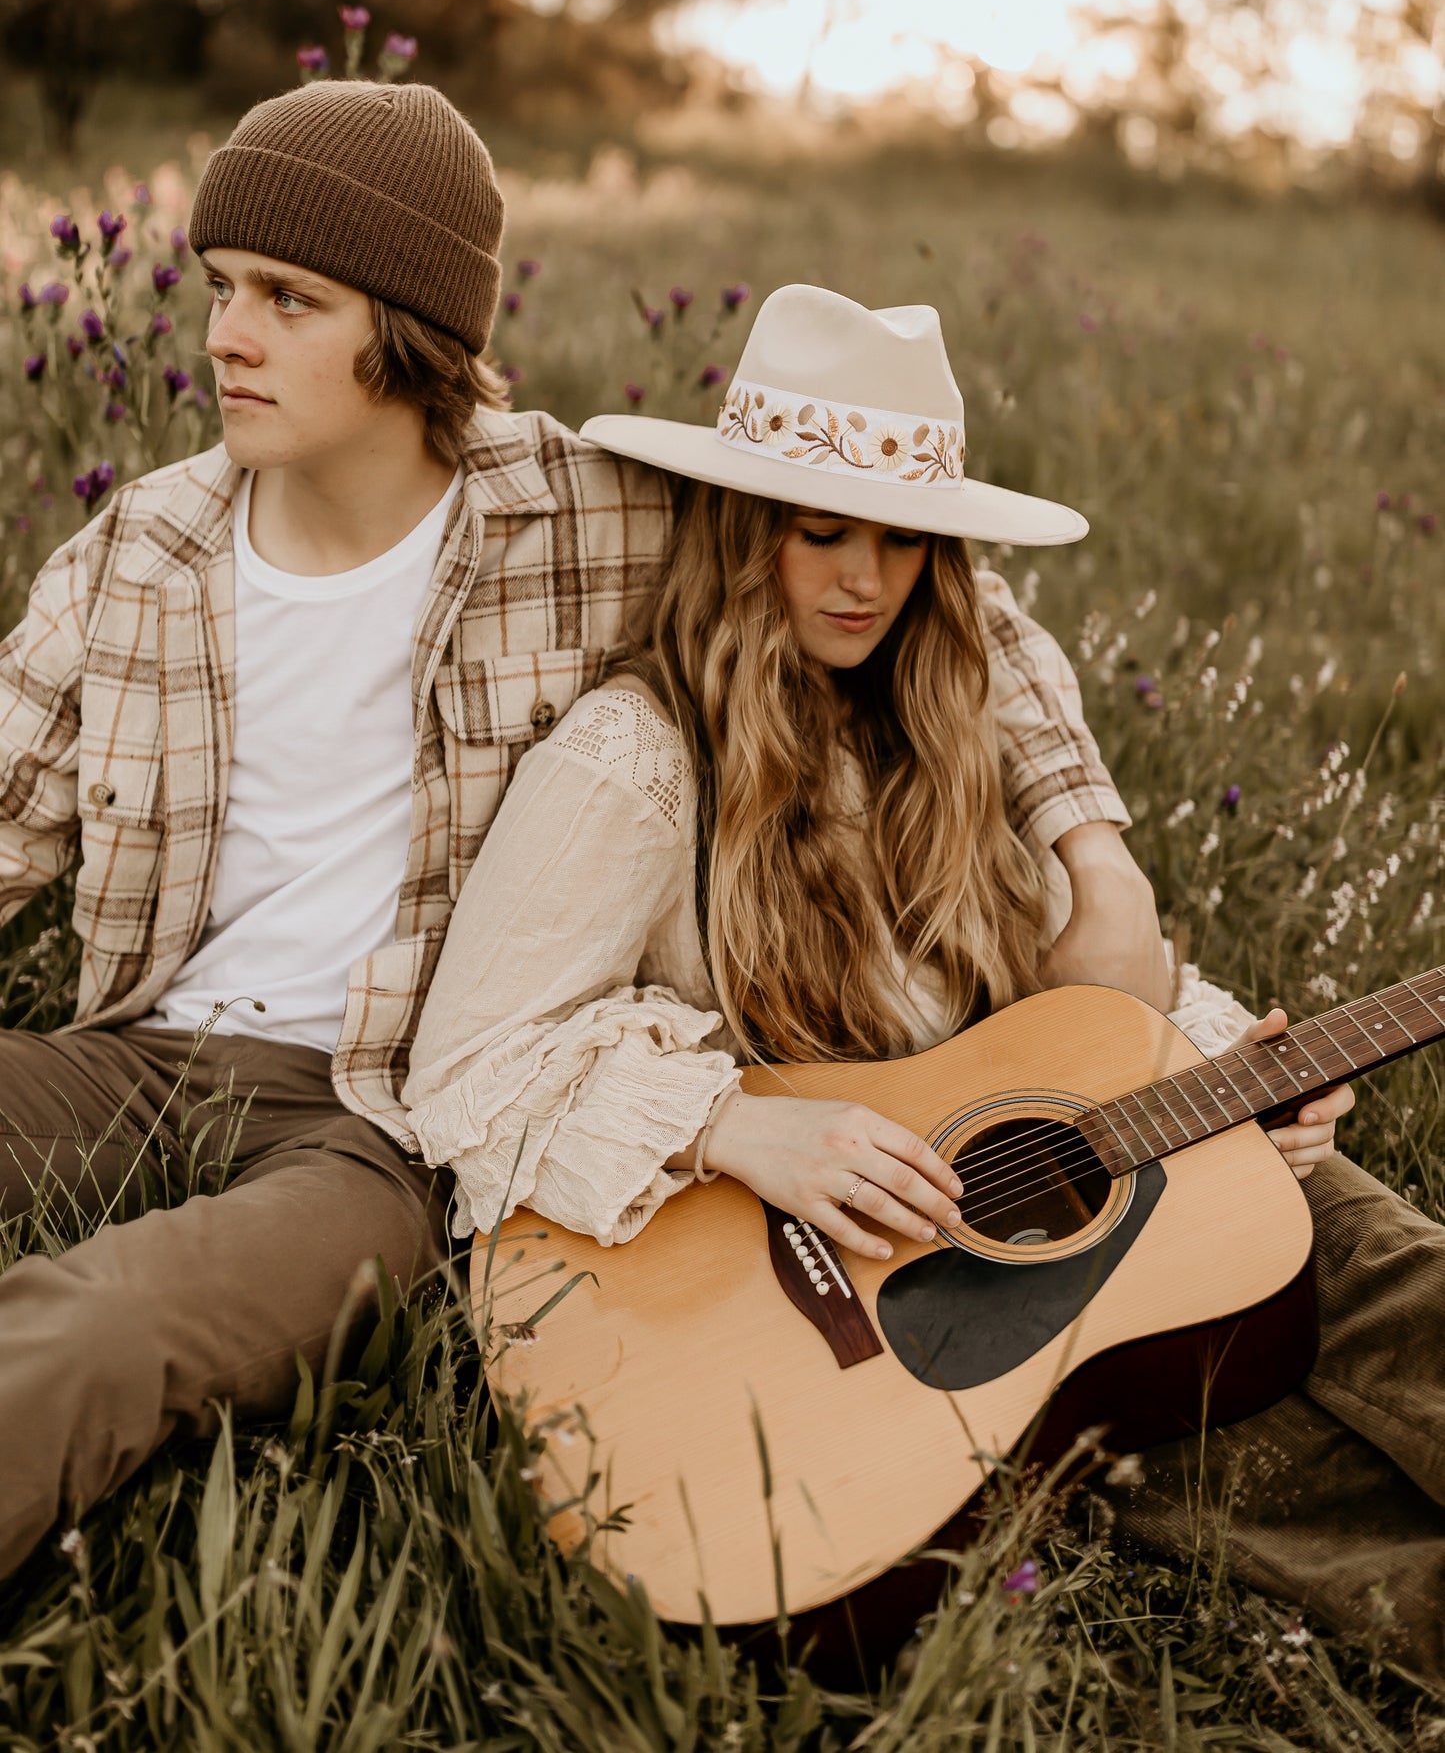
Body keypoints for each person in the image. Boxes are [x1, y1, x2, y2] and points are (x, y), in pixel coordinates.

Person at [0, 99, 1127, 1577]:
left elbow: (945, 603)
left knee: (106, 1321)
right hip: (140, 1055)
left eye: (288, 298)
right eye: (221, 287)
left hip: (389, 1122)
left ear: (405, 326)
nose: (223, 335)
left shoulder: (588, 517)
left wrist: (1087, 842)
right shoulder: (141, 553)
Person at [401, 283, 1445, 1683]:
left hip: (1026, 1195)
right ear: (740, 528)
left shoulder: (950, 728)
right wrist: (732, 1128)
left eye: (903, 540)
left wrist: (1227, 1072)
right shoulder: (635, 758)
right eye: (818, 531)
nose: (861, 579)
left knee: (1378, 1267)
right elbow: (465, 1071)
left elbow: (1052, 1031)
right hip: (774, 1286)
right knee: (1268, 1478)